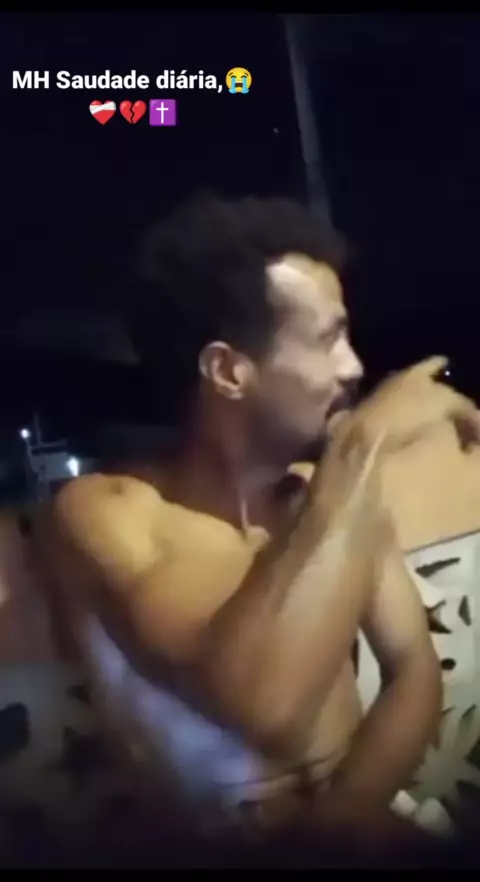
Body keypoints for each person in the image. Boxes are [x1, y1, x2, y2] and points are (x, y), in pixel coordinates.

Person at [26, 196, 480, 848]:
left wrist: (346, 817)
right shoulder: (110, 510)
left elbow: (413, 667)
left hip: (354, 826)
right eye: (328, 340)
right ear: (227, 371)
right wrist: (363, 445)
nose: (354, 366)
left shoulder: (326, 494)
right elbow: (263, 709)